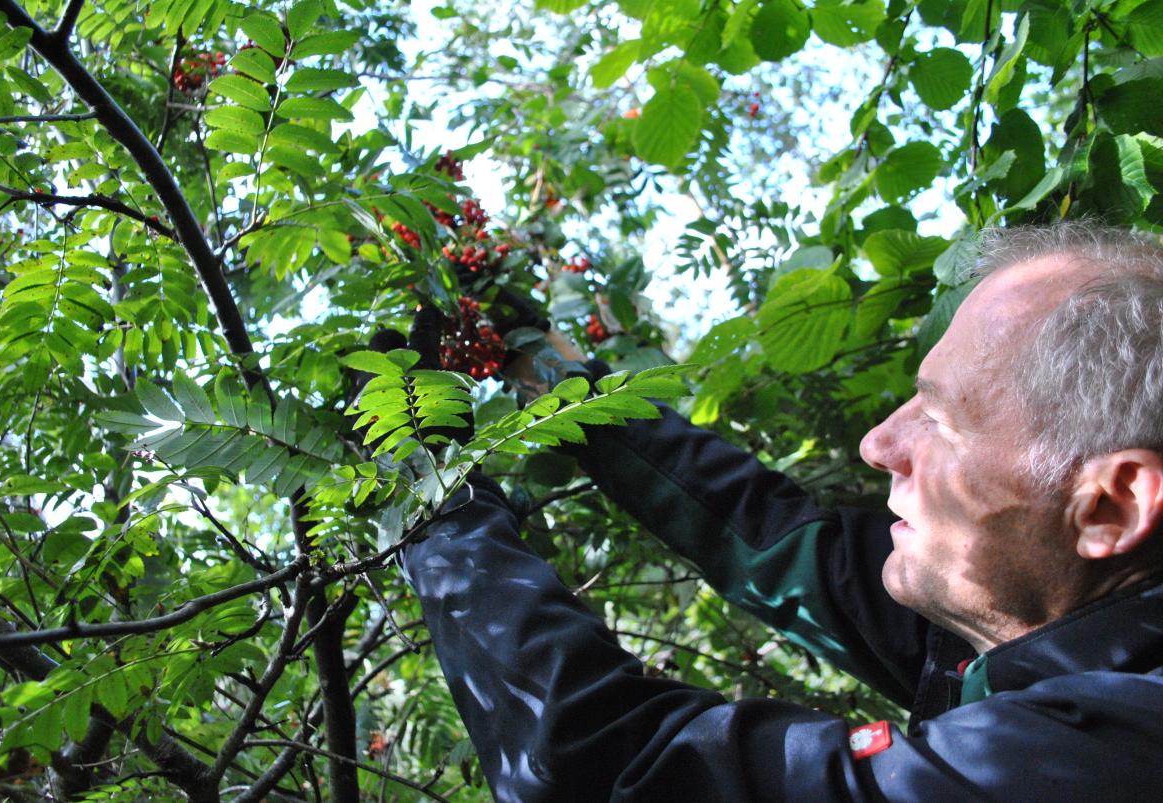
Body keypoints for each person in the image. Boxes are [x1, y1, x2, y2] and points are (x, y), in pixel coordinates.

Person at [400, 222, 1163, 800]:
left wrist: (435, 506)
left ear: (1110, 505)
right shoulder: (1041, 612)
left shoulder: (1098, 756)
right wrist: (565, 383)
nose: (878, 442)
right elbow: (775, 541)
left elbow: (621, 772)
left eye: (939, 418)